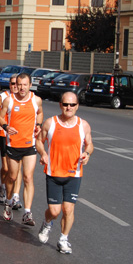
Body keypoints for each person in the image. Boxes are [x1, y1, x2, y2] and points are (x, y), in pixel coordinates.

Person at [36, 92, 93, 254]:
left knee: (68, 209)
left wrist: (87, 154)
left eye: (72, 105)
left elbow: (89, 144)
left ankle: (63, 239)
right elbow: (39, 141)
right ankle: (47, 222)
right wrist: (43, 154)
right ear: (60, 105)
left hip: (73, 174)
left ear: (77, 106)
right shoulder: (50, 123)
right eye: (66, 104)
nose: (69, 108)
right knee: (54, 211)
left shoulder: (84, 125)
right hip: (54, 173)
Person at [0, 73, 43, 226]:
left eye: (25, 85)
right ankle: (8, 203)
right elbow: (0, 117)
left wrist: (38, 126)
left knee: (28, 177)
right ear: (16, 85)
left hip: (29, 145)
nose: (21, 88)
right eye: (19, 84)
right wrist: (6, 127)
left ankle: (27, 212)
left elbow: (40, 113)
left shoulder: (36, 100)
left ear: (30, 85)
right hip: (13, 145)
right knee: (12, 177)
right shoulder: (9, 100)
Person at [0, 74, 23, 206]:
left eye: (17, 83)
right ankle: (3, 186)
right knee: (7, 168)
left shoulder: (24, 98)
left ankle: (15, 196)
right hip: (4, 136)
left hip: (19, 137)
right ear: (9, 85)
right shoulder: (3, 97)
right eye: (13, 83)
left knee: (18, 168)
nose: (15, 86)